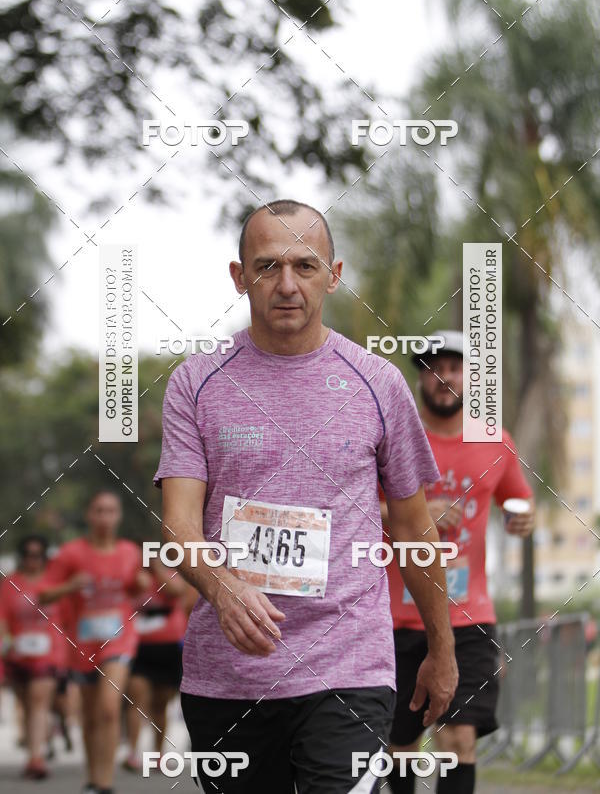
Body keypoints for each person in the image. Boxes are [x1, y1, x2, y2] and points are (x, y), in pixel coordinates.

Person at [155, 199, 458, 793]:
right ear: (239, 277)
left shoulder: (379, 383)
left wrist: (443, 649)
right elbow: (178, 527)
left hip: (349, 665)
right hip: (230, 676)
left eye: (306, 266)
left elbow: (415, 528)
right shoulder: (196, 383)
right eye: (267, 266)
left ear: (334, 275)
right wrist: (223, 588)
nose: (287, 284)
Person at [379, 331, 535, 794]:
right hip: (396, 617)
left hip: (469, 615)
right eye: (433, 368)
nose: (444, 376)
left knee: (458, 738)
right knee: (401, 744)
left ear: (470, 377)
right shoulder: (395, 438)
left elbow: (520, 501)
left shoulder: (495, 442)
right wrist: (413, 514)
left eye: (454, 367)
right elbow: (357, 505)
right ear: (421, 377)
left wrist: (521, 518)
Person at [40, 490, 149, 794]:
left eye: (110, 511)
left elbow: (137, 588)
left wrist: (140, 583)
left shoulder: (129, 552)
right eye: (98, 510)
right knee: (89, 715)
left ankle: (105, 783)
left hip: (119, 640)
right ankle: (92, 778)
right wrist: (69, 586)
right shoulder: (70, 553)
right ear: (89, 515)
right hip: (82, 644)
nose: (104, 517)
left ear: (118, 516)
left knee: (109, 708)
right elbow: (43, 594)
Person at [0, 534, 62, 779]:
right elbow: (3, 618)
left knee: (39, 699)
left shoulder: (55, 582)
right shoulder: (10, 584)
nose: (32, 560)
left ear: (44, 557)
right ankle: (35, 748)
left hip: (49, 653)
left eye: (37, 555)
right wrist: (5, 644)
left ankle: (36, 758)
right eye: (27, 554)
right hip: (18, 654)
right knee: (27, 704)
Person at [122, 559, 187, 771]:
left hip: (168, 649)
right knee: (136, 699)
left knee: (160, 704)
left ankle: (158, 754)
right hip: (138, 649)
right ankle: (132, 753)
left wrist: (157, 569)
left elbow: (177, 591)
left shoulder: (169, 575)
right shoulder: (134, 579)